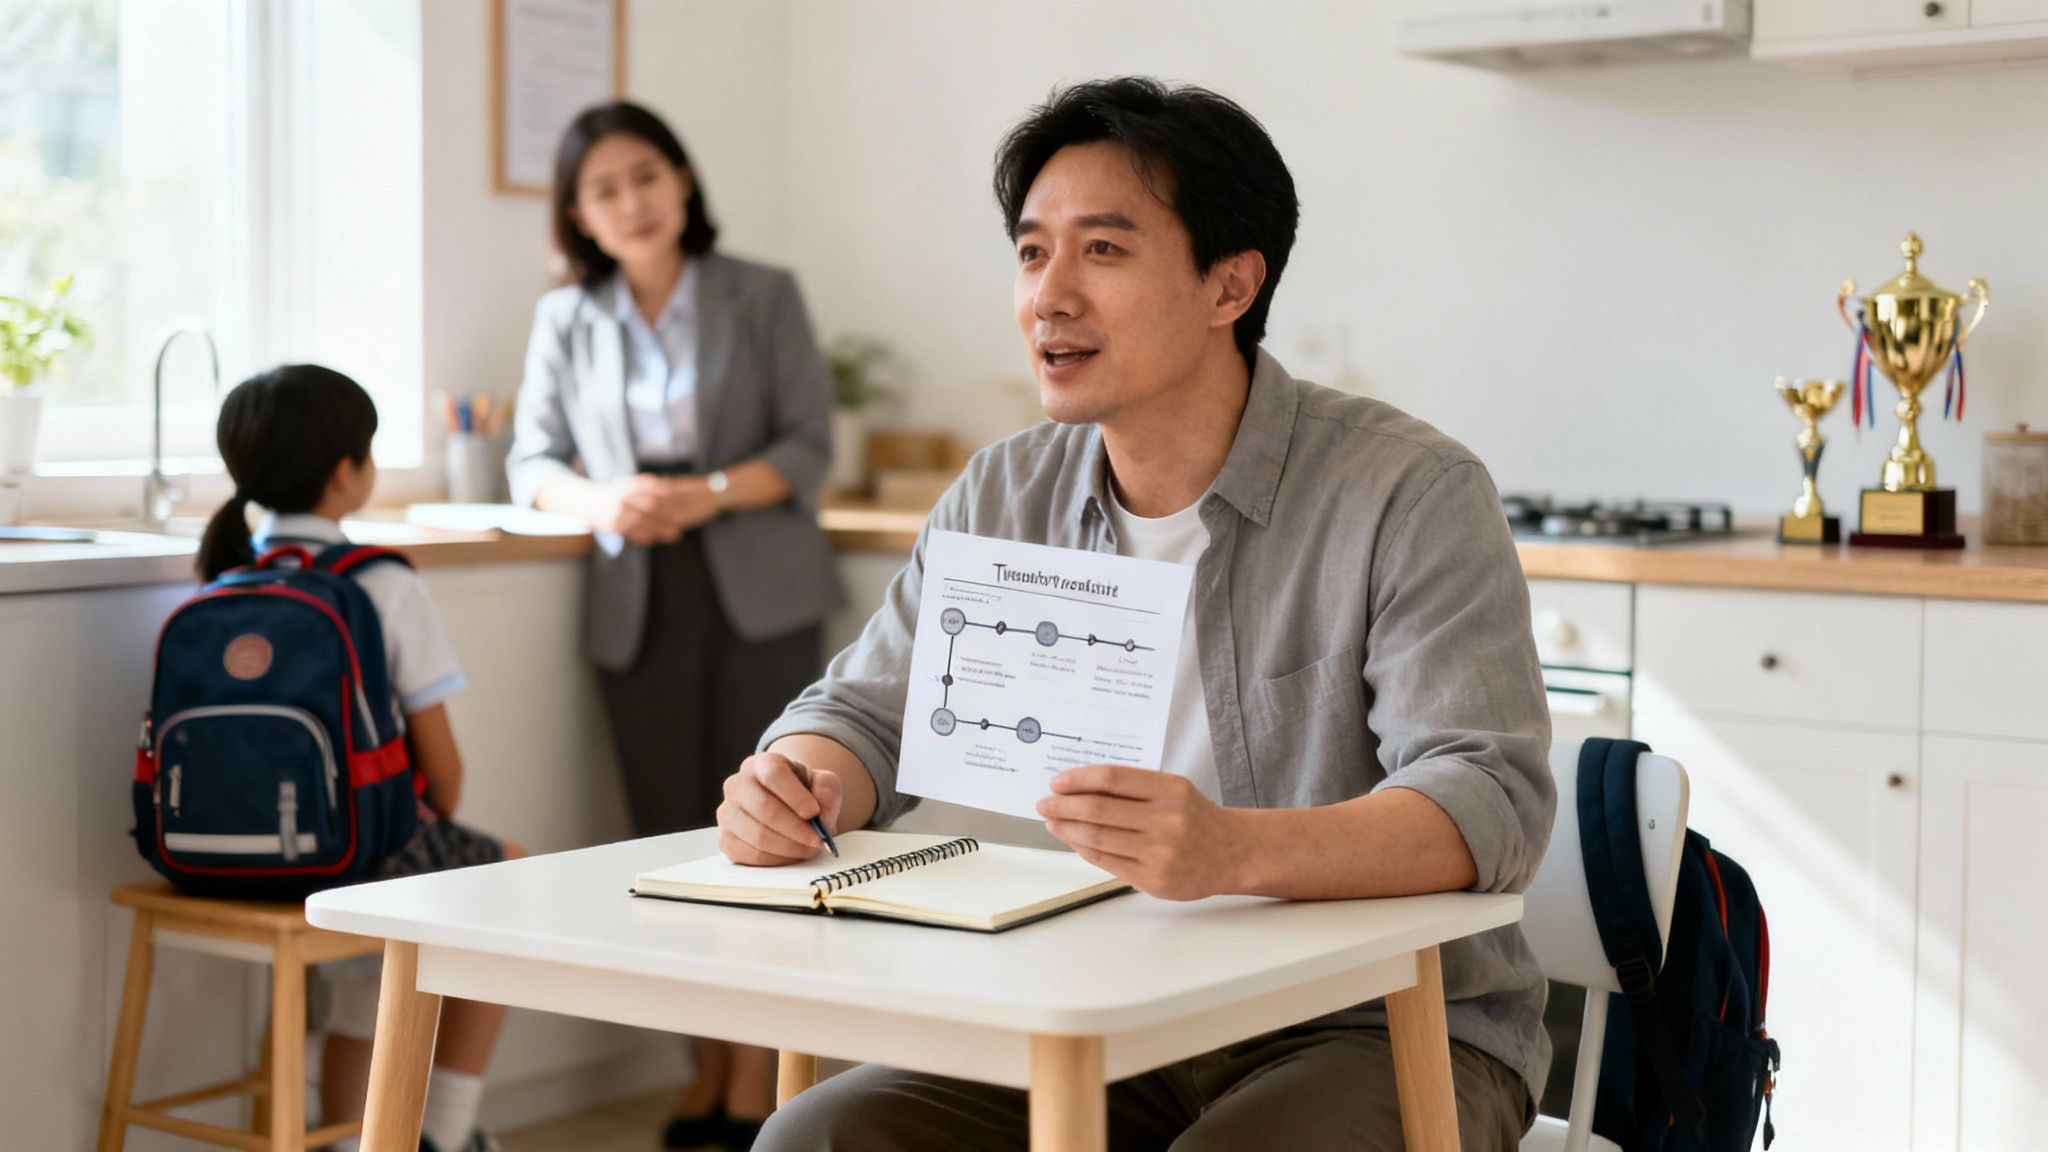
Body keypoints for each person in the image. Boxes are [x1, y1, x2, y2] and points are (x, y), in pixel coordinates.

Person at [722, 78, 1556, 1152]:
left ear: (1229, 285)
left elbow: (1486, 799)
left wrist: (1226, 850)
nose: (1048, 297)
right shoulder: (1001, 492)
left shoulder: (1407, 492)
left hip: (1370, 1024)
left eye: (1102, 252)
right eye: (1031, 253)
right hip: (1100, 1005)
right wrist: (798, 775)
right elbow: (867, 709)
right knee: (817, 1139)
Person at [506, 101, 842, 1149]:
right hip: (636, 596)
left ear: (682, 182)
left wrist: (704, 489)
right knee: (667, 834)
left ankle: (755, 1088)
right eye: (603, 190)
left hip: (757, 588)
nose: (631, 202)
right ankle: (712, 1071)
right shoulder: (566, 317)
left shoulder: (761, 293)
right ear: (579, 216)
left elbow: (805, 447)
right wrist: (605, 502)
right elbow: (532, 464)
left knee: (768, 832)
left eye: (645, 175)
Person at [196, 364, 520, 1152]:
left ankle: (352, 1142)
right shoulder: (381, 581)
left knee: (371, 962)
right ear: (348, 470)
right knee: (508, 878)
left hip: (220, 854)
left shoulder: (225, 578)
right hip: (352, 856)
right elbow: (443, 772)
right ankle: (444, 1135)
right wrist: (428, 806)